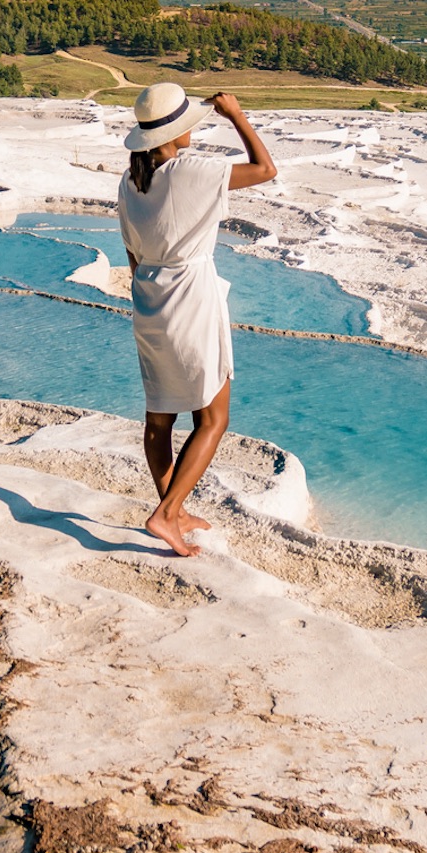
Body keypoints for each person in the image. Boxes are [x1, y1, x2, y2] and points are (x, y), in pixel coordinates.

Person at [117, 83, 278, 555]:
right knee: (212, 416)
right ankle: (166, 516)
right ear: (176, 133)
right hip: (191, 296)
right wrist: (237, 115)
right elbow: (265, 169)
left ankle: (175, 507)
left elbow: (131, 254)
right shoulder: (192, 171)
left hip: (148, 298)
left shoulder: (130, 182)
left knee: (160, 416)